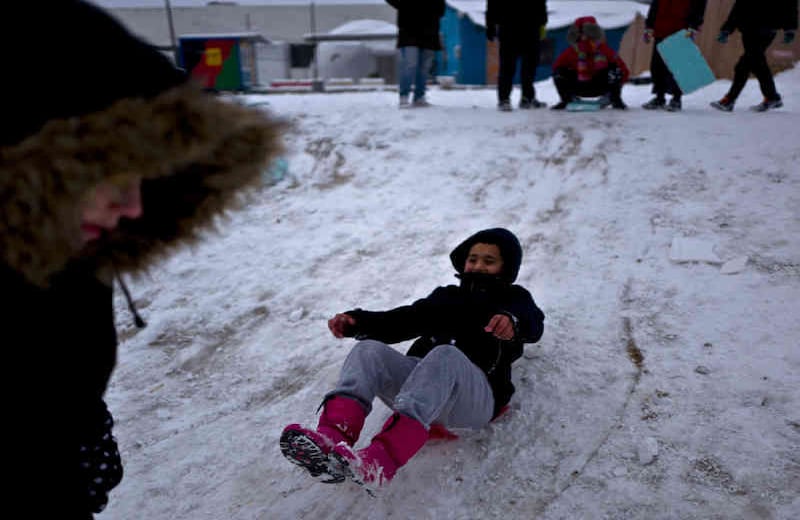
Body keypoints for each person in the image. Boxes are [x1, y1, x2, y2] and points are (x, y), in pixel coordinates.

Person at [2, 1, 284, 517]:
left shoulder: (74, 248)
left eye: (144, 177)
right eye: (112, 173)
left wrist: (79, 432)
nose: (132, 207)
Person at [280, 228, 545, 490]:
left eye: (489, 261)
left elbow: (534, 322)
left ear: (506, 268)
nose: (477, 266)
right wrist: (356, 322)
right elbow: (401, 321)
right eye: (473, 259)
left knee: (445, 355)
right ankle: (331, 437)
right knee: (369, 349)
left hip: (475, 399)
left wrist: (513, 322)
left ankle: (380, 461)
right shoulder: (447, 298)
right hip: (424, 391)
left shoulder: (513, 298)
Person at [710, 0, 798, 112]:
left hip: (767, 26)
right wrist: (727, 28)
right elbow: (740, 5)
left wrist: (790, 28)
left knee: (745, 64)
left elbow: (790, 4)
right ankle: (771, 97)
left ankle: (730, 99)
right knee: (756, 63)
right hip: (748, 27)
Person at [550, 16, 630, 110]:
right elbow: (557, 69)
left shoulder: (604, 50)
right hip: (579, 86)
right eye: (582, 33)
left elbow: (622, 70)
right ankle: (566, 99)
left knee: (615, 69)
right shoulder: (570, 52)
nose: (585, 37)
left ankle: (614, 99)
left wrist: (614, 87)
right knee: (559, 71)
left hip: (599, 86)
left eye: (587, 33)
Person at [642, 0, 708, 112]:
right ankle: (659, 97)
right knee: (657, 66)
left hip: (681, 29)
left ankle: (676, 99)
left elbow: (699, 6)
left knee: (679, 66)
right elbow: (655, 6)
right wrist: (649, 26)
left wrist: (694, 25)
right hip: (661, 28)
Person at [485, 0, 549, 111]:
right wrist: (490, 25)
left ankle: (523, 98)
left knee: (525, 64)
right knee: (513, 65)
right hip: (516, 25)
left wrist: (490, 25)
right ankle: (508, 99)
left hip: (523, 26)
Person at [386, 0, 446, 108]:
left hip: (429, 31)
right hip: (409, 31)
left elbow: (441, 10)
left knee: (424, 67)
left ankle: (419, 97)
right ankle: (404, 96)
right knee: (410, 64)